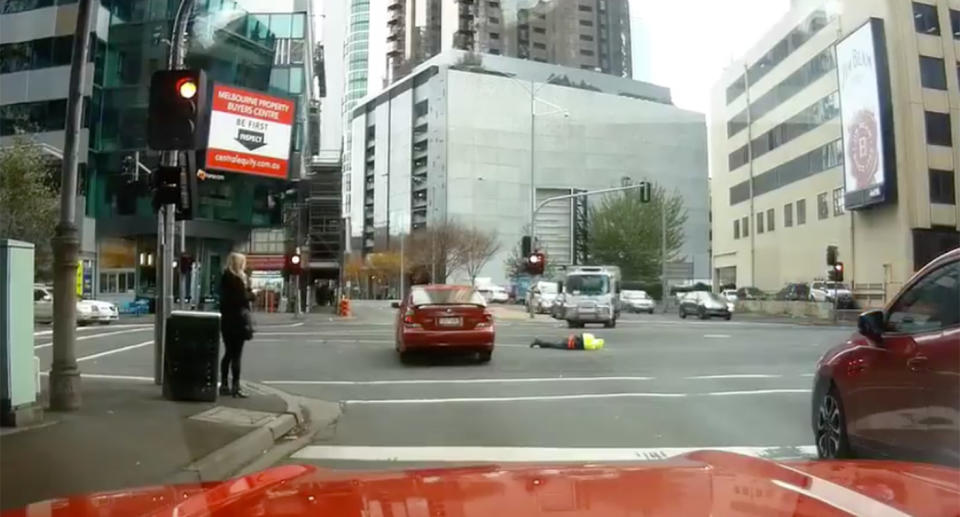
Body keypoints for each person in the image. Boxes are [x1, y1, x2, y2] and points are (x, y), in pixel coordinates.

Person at [219, 252, 254, 398]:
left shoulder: (225, 278)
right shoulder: (239, 280)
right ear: (239, 264)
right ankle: (236, 386)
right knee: (237, 355)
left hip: (227, 321)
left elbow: (224, 301)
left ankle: (224, 385)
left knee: (228, 353)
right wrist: (249, 291)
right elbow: (244, 299)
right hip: (239, 321)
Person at [530, 332, 604, 350]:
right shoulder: (591, 346)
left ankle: (539, 342)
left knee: (553, 344)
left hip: (570, 342)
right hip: (570, 344)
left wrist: (573, 338)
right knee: (553, 344)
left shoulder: (590, 337)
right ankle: (539, 342)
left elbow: (581, 336)